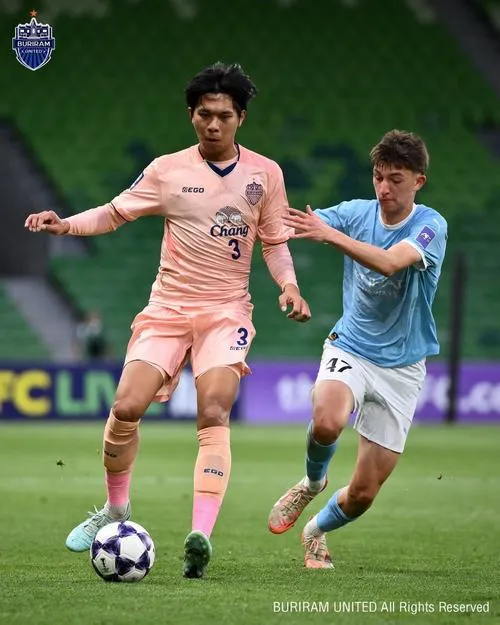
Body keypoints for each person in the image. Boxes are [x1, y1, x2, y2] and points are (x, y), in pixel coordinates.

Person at [25, 62, 311, 579]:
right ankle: (115, 510)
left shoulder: (265, 174)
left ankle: (200, 536)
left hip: (226, 311)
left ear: (241, 118)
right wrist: (65, 225)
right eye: (204, 114)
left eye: (224, 116)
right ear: (191, 115)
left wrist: (288, 285)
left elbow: (274, 241)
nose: (213, 124)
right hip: (167, 309)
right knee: (125, 406)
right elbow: (114, 212)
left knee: (214, 411)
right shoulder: (167, 170)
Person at [268, 129, 447, 569]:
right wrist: (258, 220)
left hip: (402, 367)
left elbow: (390, 263)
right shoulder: (355, 212)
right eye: (378, 177)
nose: (384, 188)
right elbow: (294, 224)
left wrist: (331, 236)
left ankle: (316, 531)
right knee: (327, 420)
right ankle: (312, 483)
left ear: (419, 181)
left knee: (364, 493)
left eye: (396, 179)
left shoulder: (431, 226)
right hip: (351, 346)